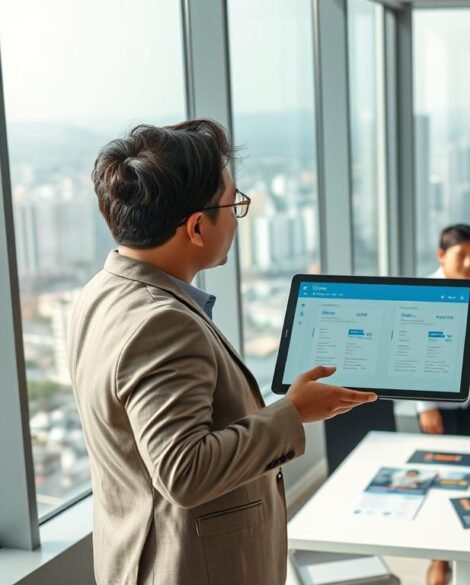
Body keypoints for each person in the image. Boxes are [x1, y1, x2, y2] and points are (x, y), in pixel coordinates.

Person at [67, 120, 378, 585]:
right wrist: (293, 413)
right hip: (188, 567)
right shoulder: (162, 322)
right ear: (196, 227)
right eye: (234, 203)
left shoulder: (100, 292)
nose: (236, 217)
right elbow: (182, 470)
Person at [418, 223, 470, 585]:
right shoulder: (424, 291)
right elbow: (413, 354)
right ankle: (438, 558)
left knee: (469, 476)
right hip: (437, 404)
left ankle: (461, 548)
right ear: (441, 254)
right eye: (462, 255)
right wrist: (424, 406)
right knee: (440, 479)